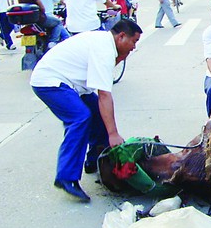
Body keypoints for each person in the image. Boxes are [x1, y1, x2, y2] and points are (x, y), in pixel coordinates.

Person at [30, 19, 143, 201]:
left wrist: (122, 55)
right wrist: (113, 134)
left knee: (98, 116)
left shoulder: (106, 44)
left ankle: (95, 161)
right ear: (121, 36)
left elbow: (103, 79)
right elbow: (105, 95)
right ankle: (66, 177)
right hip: (49, 81)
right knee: (80, 118)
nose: (134, 47)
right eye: (134, 42)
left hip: (72, 84)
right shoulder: (104, 49)